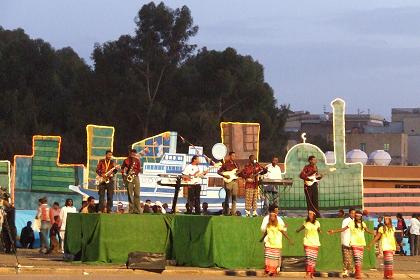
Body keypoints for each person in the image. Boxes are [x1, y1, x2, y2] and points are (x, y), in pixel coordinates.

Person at [328, 210, 374, 279]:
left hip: (361, 243)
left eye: (359, 216)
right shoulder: (351, 223)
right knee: (356, 259)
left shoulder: (363, 224)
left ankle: (356, 273)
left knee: (359, 260)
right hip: (354, 243)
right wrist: (333, 231)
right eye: (356, 216)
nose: (357, 217)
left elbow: (367, 230)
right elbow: (343, 229)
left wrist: (375, 233)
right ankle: (356, 274)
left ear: (361, 217)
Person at [261, 212, 293, 276]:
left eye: (273, 216)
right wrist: (262, 239)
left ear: (275, 218)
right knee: (268, 258)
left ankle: (272, 271)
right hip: (269, 243)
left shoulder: (278, 225)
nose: (272, 218)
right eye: (271, 216)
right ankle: (269, 270)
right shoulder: (268, 225)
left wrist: (289, 239)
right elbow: (266, 233)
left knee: (274, 259)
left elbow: (283, 233)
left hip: (276, 244)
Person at [296, 210, 321, 279]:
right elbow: (302, 227)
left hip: (315, 243)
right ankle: (307, 273)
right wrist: (298, 230)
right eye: (309, 214)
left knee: (313, 259)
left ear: (314, 215)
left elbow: (318, 229)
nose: (309, 215)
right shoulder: (306, 222)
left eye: (311, 214)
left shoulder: (317, 222)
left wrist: (320, 231)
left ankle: (311, 274)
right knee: (308, 258)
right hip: (307, 242)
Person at [217, 152, 240, 216]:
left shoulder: (236, 164)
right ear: (229, 156)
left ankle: (233, 212)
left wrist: (238, 173)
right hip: (228, 182)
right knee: (227, 197)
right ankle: (226, 212)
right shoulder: (225, 164)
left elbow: (238, 172)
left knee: (234, 197)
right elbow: (218, 172)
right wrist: (225, 176)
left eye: (235, 156)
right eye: (232, 156)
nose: (234, 157)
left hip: (235, 181)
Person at [121, 149, 142, 214]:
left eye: (134, 154)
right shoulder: (126, 160)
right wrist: (124, 176)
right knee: (130, 194)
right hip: (128, 177)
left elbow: (139, 169)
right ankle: (131, 210)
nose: (133, 155)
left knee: (137, 194)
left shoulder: (137, 160)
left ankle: (137, 209)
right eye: (132, 153)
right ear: (130, 153)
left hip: (135, 177)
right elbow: (122, 169)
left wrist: (135, 173)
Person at [340, 208, 356, 277]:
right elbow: (343, 230)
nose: (353, 214)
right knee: (346, 258)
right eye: (352, 213)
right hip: (346, 241)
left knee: (352, 258)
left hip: (354, 242)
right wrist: (345, 241)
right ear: (349, 213)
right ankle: (346, 271)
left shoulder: (356, 221)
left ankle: (351, 270)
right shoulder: (345, 220)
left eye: (354, 213)